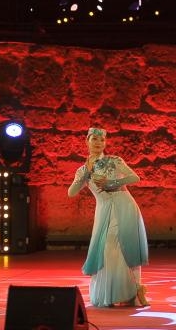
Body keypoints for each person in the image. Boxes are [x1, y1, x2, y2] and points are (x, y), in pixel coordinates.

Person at [68, 127, 150, 307]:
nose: (98, 143)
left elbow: (134, 178)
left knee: (127, 246)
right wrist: (85, 174)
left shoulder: (114, 161)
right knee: (107, 251)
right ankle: (115, 294)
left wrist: (112, 183)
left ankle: (136, 291)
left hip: (124, 206)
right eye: (94, 139)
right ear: (86, 141)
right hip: (104, 210)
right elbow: (71, 193)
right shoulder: (82, 170)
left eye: (101, 140)